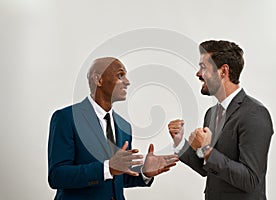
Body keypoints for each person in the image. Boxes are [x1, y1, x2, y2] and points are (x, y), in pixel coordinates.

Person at [48, 57, 178, 200]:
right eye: (120, 75)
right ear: (98, 80)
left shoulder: (124, 127)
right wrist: (107, 168)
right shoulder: (66, 118)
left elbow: (117, 178)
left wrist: (144, 172)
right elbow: (57, 176)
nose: (127, 82)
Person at [168, 40, 273, 200]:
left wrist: (207, 150)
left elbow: (251, 180)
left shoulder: (255, 114)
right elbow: (207, 168)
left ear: (223, 71)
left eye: (203, 67)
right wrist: (180, 143)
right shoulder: (211, 113)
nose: (198, 74)